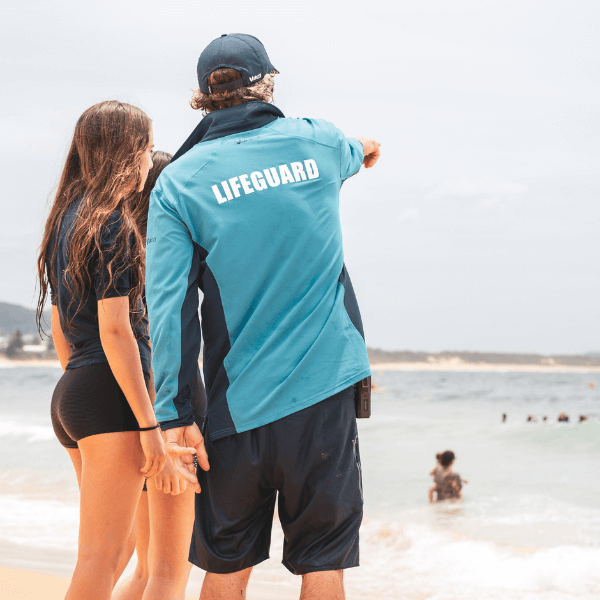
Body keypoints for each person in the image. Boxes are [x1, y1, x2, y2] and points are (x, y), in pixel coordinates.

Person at [145, 33, 381, 600]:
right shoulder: (320, 142)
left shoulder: (178, 182)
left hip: (233, 410)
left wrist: (174, 415)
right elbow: (363, 147)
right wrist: (364, 149)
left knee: (225, 569)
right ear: (268, 83)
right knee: (324, 565)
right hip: (324, 396)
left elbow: (169, 305)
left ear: (203, 98)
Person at [36, 101, 166, 600]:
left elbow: (64, 328)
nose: (147, 159)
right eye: (146, 148)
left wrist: (84, 390)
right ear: (127, 151)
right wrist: (149, 426)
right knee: (100, 560)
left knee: (118, 547)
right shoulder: (112, 224)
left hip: (73, 394)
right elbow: (117, 332)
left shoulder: (67, 219)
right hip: (109, 400)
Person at [114, 151, 207, 600]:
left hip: (123, 406)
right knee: (170, 572)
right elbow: (161, 348)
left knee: (148, 566)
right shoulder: (166, 254)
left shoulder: (114, 249)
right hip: (168, 407)